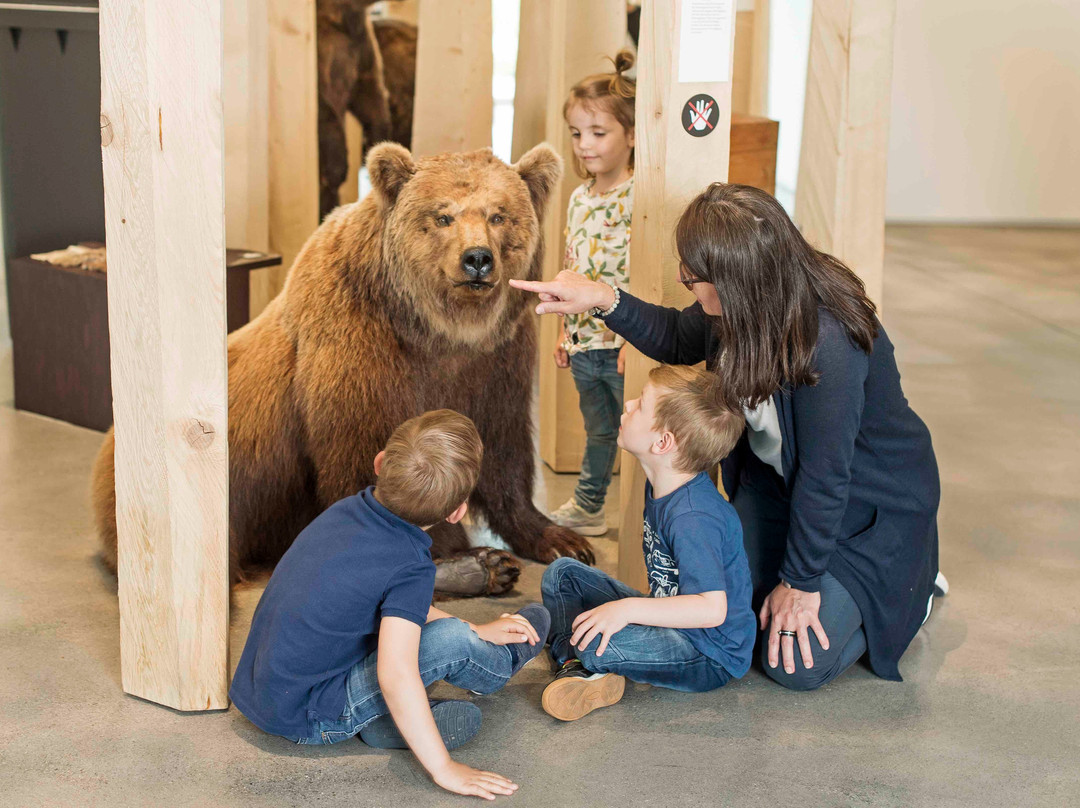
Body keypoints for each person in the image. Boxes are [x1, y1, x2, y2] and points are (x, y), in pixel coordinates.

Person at [512, 182, 947, 692]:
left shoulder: (828, 342)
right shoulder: (739, 307)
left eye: (694, 276)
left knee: (792, 664)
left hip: (866, 508)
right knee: (738, 619)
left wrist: (800, 583)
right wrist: (602, 298)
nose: (685, 280)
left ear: (739, 277)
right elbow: (678, 337)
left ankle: (910, 591)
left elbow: (826, 474)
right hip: (781, 492)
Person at [230, 410, 549, 800]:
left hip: (262, 695)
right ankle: (497, 664)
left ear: (380, 463)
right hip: (312, 718)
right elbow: (395, 674)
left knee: (441, 632)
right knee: (450, 639)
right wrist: (443, 768)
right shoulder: (410, 566)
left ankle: (388, 723)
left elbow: (398, 606)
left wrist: (478, 628)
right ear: (457, 513)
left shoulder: (343, 512)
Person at [540, 365, 754, 721]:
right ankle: (576, 662)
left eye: (640, 404)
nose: (628, 405)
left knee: (594, 641)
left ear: (663, 443)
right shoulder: (661, 483)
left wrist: (626, 610)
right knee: (562, 574)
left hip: (707, 652)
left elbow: (711, 610)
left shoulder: (693, 517)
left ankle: (580, 660)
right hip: (669, 616)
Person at [547, 50, 637, 538]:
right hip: (584, 345)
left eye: (598, 133)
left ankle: (649, 518)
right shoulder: (579, 198)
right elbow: (572, 265)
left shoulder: (638, 196)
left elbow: (642, 274)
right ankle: (588, 508)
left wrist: (633, 341)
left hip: (622, 343)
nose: (585, 145)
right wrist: (564, 330)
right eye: (577, 133)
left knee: (640, 434)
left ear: (631, 135)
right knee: (598, 430)